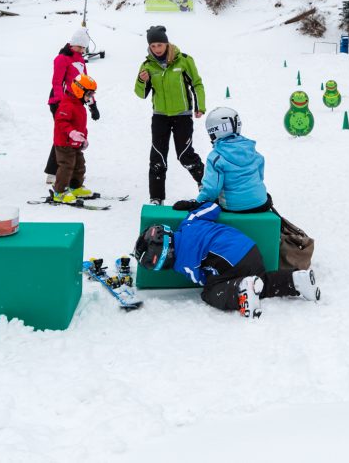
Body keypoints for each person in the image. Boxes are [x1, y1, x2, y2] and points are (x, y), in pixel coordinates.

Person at [133, 202, 320, 320]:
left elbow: (203, 279)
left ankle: (240, 289)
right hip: (250, 249)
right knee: (260, 281)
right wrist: (193, 204)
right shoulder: (189, 221)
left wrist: (215, 284)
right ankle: (295, 281)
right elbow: (213, 208)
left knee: (209, 292)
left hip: (232, 265)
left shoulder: (184, 265)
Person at [135, 25, 206, 205]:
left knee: (185, 154)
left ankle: (204, 183)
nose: (157, 49)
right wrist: (141, 81)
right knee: (157, 156)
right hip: (160, 117)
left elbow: (196, 84)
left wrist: (200, 106)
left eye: (160, 45)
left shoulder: (184, 61)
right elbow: (141, 94)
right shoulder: (147, 66)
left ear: (166, 44)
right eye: (153, 46)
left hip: (182, 116)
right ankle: (156, 198)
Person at [172, 107, 268, 213]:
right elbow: (260, 175)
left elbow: (212, 189)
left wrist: (197, 203)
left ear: (214, 131)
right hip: (261, 203)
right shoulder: (251, 149)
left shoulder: (216, 157)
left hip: (234, 207)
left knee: (215, 203)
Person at [45, 29, 98, 183]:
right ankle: (54, 172)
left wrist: (92, 105)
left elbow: (85, 82)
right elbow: (56, 82)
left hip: (76, 101)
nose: (82, 50)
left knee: (74, 135)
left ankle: (68, 171)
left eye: (84, 48)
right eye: (79, 47)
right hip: (61, 100)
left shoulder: (80, 60)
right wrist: (61, 103)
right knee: (63, 135)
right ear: (72, 44)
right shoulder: (62, 59)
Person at [52, 74, 98, 203]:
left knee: (79, 165)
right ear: (79, 90)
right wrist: (71, 132)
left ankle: (75, 187)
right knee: (66, 166)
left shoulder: (79, 105)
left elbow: (81, 126)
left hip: (75, 143)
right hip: (64, 143)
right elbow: (61, 121)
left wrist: (84, 139)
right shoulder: (67, 104)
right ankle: (59, 192)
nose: (90, 97)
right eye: (89, 94)